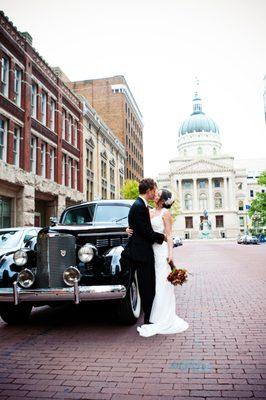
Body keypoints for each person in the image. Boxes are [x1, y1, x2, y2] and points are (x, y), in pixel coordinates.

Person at [129, 189, 189, 337]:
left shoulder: (166, 214)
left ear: (162, 200)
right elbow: (142, 228)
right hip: (150, 252)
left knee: (162, 284)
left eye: (157, 194)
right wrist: (128, 229)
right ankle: (153, 315)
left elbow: (169, 235)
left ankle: (163, 317)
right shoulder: (148, 211)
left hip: (161, 252)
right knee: (153, 285)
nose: (155, 195)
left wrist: (170, 255)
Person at [122, 178, 165, 324]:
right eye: (154, 190)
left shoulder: (141, 205)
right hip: (141, 254)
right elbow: (146, 232)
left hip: (143, 252)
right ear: (148, 191)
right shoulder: (139, 206)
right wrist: (163, 237)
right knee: (147, 286)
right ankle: (148, 320)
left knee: (148, 285)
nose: (155, 193)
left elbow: (136, 228)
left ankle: (150, 316)